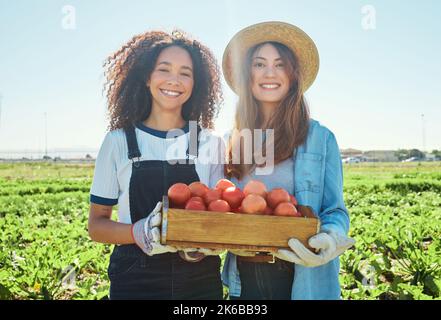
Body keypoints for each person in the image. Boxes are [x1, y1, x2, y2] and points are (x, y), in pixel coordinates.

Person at [221, 21, 355, 300]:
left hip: (301, 275)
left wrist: (329, 238)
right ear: (248, 74)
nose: (269, 73)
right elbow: (222, 207)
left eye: (280, 64)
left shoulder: (320, 138)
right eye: (259, 64)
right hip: (244, 277)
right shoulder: (232, 139)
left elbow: (335, 211)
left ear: (292, 75)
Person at [88, 29, 225, 300]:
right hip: (134, 277)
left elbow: (219, 216)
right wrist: (138, 232)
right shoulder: (118, 142)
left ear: (196, 83)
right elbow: (97, 225)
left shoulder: (209, 141)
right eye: (164, 69)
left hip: (198, 280)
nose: (174, 80)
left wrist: (205, 244)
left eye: (185, 73)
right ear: (147, 77)